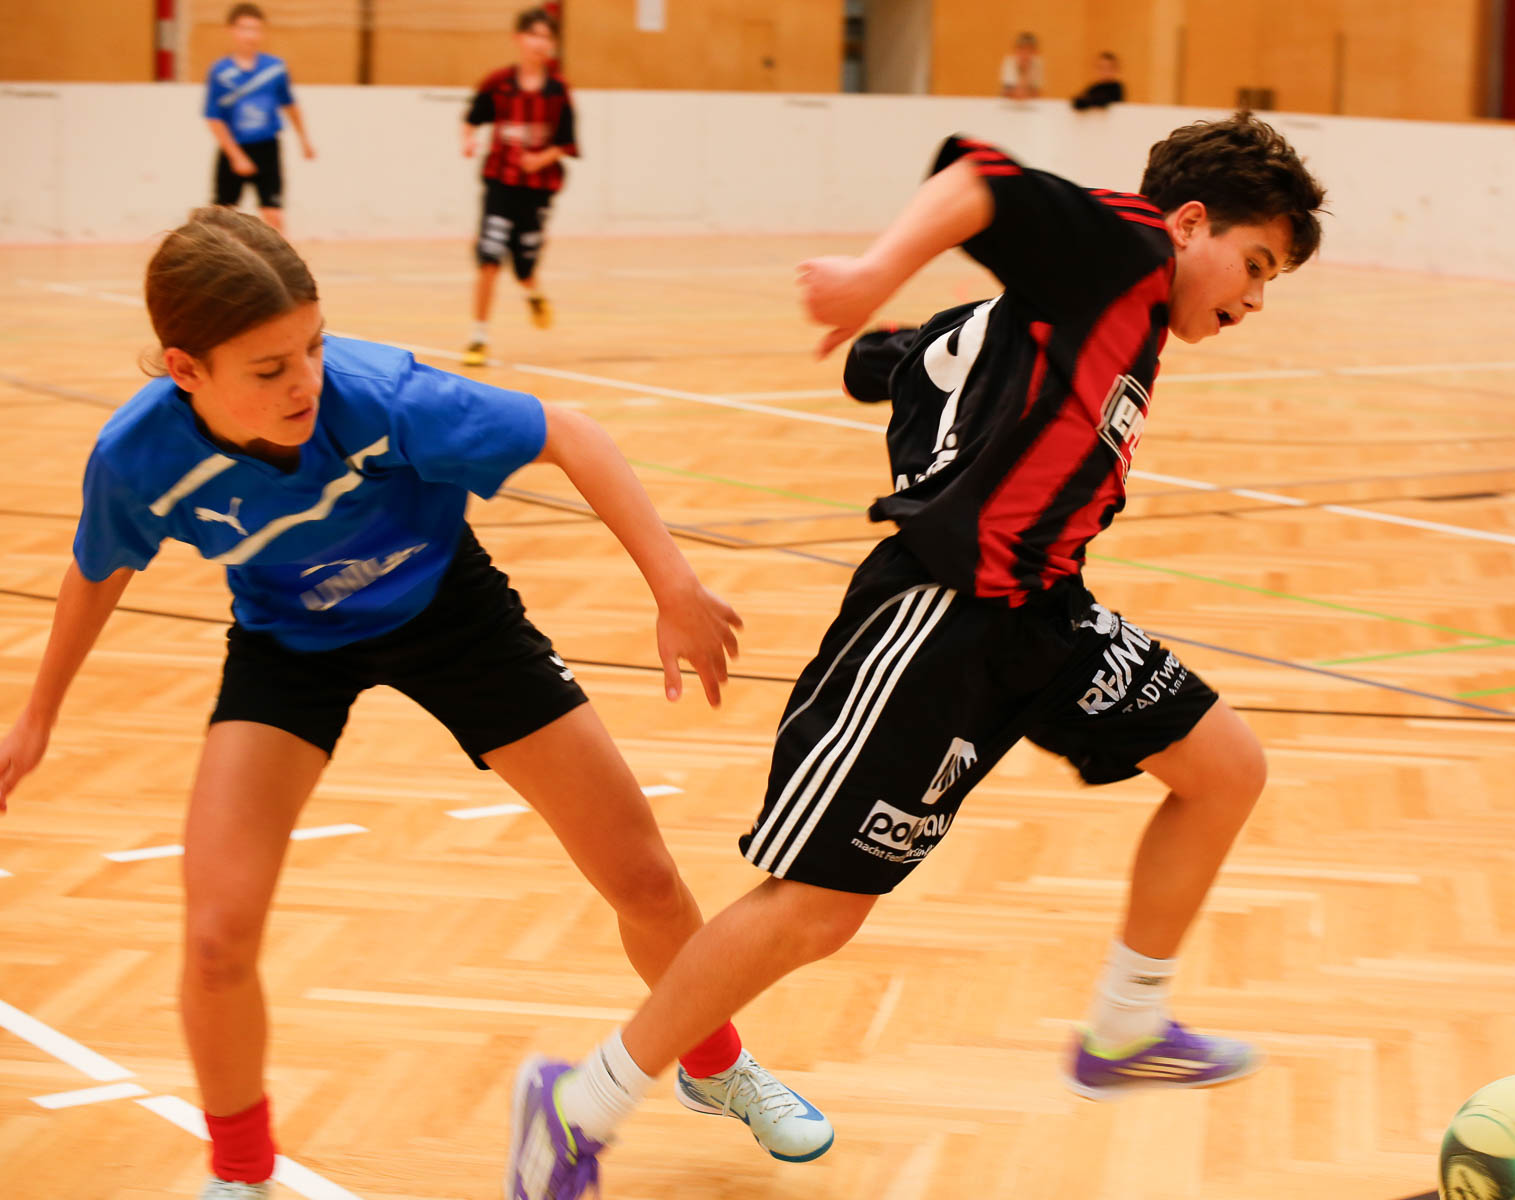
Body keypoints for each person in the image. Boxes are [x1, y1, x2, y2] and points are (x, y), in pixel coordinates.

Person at [496, 111, 1327, 1197]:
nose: (1256, 299)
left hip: (1046, 612)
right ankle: (579, 1105)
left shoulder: (1086, 312)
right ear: (1187, 223)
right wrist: (868, 276)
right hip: (943, 619)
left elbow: (919, 357)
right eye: (1255, 264)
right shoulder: (1125, 247)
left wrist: (884, 353)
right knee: (817, 910)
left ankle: (1126, 1024)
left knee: (1225, 769)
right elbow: (978, 177)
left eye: (1273, 282)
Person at [0, 207, 833, 1200]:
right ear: (186, 370)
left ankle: (715, 1065)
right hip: (288, 644)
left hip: (450, 612)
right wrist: (38, 715)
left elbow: (572, 434)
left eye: (313, 346)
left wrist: (674, 586)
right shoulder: (137, 457)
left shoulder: (383, 397)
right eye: (269, 368)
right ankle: (241, 1176)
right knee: (217, 933)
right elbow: (100, 568)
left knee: (645, 879)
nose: (305, 381)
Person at [461, 7, 578, 368]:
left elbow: (567, 143)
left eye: (547, 37)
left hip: (538, 188)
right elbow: (472, 119)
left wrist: (541, 159)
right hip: (500, 183)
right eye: (533, 35)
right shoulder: (498, 83)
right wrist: (468, 139)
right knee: (490, 258)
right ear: (518, 39)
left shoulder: (558, 92)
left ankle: (534, 293)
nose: (539, 43)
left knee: (524, 266)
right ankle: (479, 336)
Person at [203, 3, 314, 234]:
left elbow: (290, 105)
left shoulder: (275, 68)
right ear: (231, 30)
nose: (250, 35)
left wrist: (304, 140)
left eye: (255, 29)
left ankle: (278, 256)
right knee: (221, 216)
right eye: (244, 28)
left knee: (273, 213)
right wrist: (236, 156)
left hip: (267, 148)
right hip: (234, 148)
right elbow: (214, 118)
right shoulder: (220, 72)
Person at [999, 31, 1044, 99]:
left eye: (1029, 49)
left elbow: (1036, 93)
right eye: (1022, 49)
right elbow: (1007, 92)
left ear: (1034, 51)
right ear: (1016, 50)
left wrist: (1025, 71)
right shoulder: (1009, 62)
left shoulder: (1037, 64)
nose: (1025, 53)